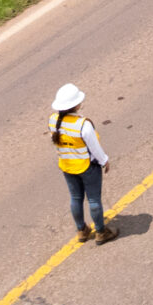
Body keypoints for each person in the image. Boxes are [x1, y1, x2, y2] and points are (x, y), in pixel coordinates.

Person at [50, 84, 115, 244]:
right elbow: (95, 147)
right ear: (75, 105)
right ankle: (101, 232)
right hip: (87, 167)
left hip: (67, 166)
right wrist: (104, 161)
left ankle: (81, 230)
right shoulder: (83, 125)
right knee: (93, 200)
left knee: (75, 198)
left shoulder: (53, 120)